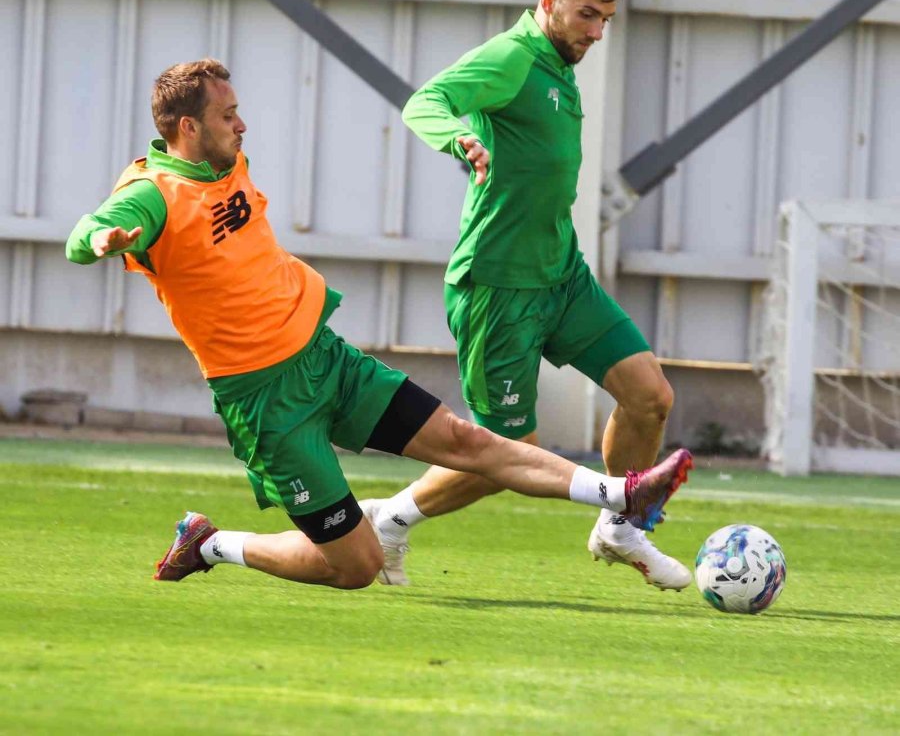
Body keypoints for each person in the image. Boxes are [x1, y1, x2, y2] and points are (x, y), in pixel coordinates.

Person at [64, 58, 692, 590]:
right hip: (266, 402)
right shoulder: (153, 193)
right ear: (188, 127)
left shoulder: (225, 160)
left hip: (327, 359)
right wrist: (99, 240)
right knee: (357, 567)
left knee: (467, 441)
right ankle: (211, 544)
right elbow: (86, 232)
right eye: (228, 115)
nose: (241, 124)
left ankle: (623, 494)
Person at [362, 0, 691, 591]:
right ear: (548, 3)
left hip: (562, 275)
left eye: (606, 20)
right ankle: (390, 520)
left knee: (650, 397)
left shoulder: (560, 63)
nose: (597, 32)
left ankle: (619, 529)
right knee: (507, 458)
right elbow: (426, 101)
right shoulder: (512, 57)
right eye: (587, 15)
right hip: (499, 287)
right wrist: (459, 138)